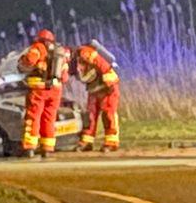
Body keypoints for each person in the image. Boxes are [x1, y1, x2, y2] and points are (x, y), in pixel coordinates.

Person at [18, 27, 66, 158]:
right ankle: (47, 148)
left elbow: (29, 61)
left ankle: (30, 147)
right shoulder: (60, 51)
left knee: (33, 117)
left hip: (39, 89)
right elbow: (65, 76)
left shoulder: (38, 48)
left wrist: (22, 60)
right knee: (49, 118)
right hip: (55, 90)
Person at [71, 40, 121, 152]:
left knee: (108, 114)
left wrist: (109, 85)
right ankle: (87, 141)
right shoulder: (76, 59)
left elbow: (103, 66)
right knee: (90, 116)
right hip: (94, 89)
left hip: (107, 88)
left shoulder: (85, 53)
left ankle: (111, 142)